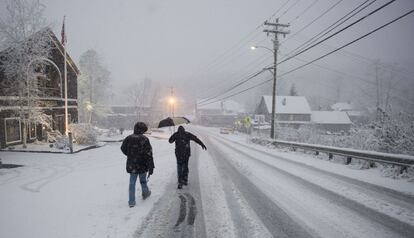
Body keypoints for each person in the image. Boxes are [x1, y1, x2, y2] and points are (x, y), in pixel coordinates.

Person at [121, 122, 154, 207]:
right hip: (142, 164)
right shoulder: (145, 139)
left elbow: (123, 148)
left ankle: (131, 201)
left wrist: (130, 155)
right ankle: (145, 193)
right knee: (143, 181)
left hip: (132, 164)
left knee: (132, 183)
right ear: (142, 130)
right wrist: (150, 166)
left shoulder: (128, 138)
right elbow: (149, 154)